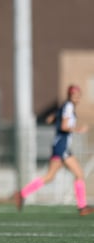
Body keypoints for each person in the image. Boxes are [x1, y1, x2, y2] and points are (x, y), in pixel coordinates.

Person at [14, 84, 94, 216]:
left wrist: (55, 118)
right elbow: (64, 126)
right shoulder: (68, 106)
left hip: (60, 146)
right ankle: (82, 207)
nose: (78, 98)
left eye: (79, 96)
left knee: (50, 176)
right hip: (62, 146)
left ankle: (22, 194)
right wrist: (78, 130)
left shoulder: (65, 106)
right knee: (78, 174)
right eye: (75, 96)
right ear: (70, 96)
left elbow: (50, 118)